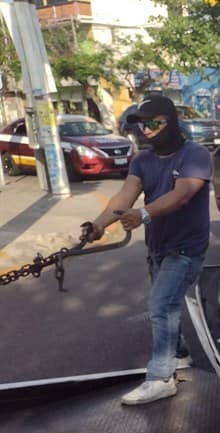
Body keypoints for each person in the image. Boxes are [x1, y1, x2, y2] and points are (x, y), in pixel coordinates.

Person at [81, 95, 212, 405]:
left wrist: (143, 214)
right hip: (158, 247)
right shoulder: (142, 160)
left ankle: (161, 378)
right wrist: (99, 225)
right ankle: (178, 355)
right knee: (167, 304)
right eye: (142, 124)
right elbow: (124, 196)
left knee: (161, 305)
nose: (147, 130)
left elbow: (182, 195)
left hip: (186, 248)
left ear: (170, 122)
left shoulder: (195, 155)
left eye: (154, 123)